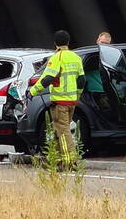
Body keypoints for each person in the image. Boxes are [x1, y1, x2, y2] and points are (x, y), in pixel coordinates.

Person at [29, 30, 85, 166]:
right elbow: (82, 80)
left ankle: (70, 161)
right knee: (57, 130)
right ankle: (55, 160)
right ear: (68, 42)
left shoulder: (56, 58)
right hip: (72, 101)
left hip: (60, 102)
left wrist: (32, 91)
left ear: (55, 43)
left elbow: (47, 78)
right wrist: (77, 95)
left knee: (63, 131)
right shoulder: (76, 57)